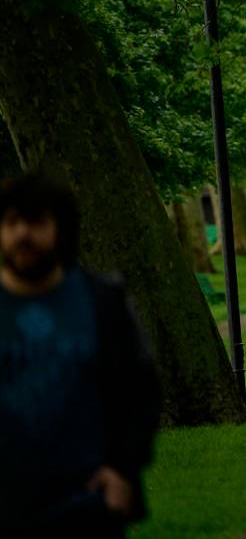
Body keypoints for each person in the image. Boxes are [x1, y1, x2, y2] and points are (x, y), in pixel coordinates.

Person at [0, 173, 161, 538]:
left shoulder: (102, 302)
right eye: (11, 223)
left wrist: (122, 468)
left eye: (36, 222)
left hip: (87, 503)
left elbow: (141, 393)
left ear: (60, 228)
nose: (22, 234)